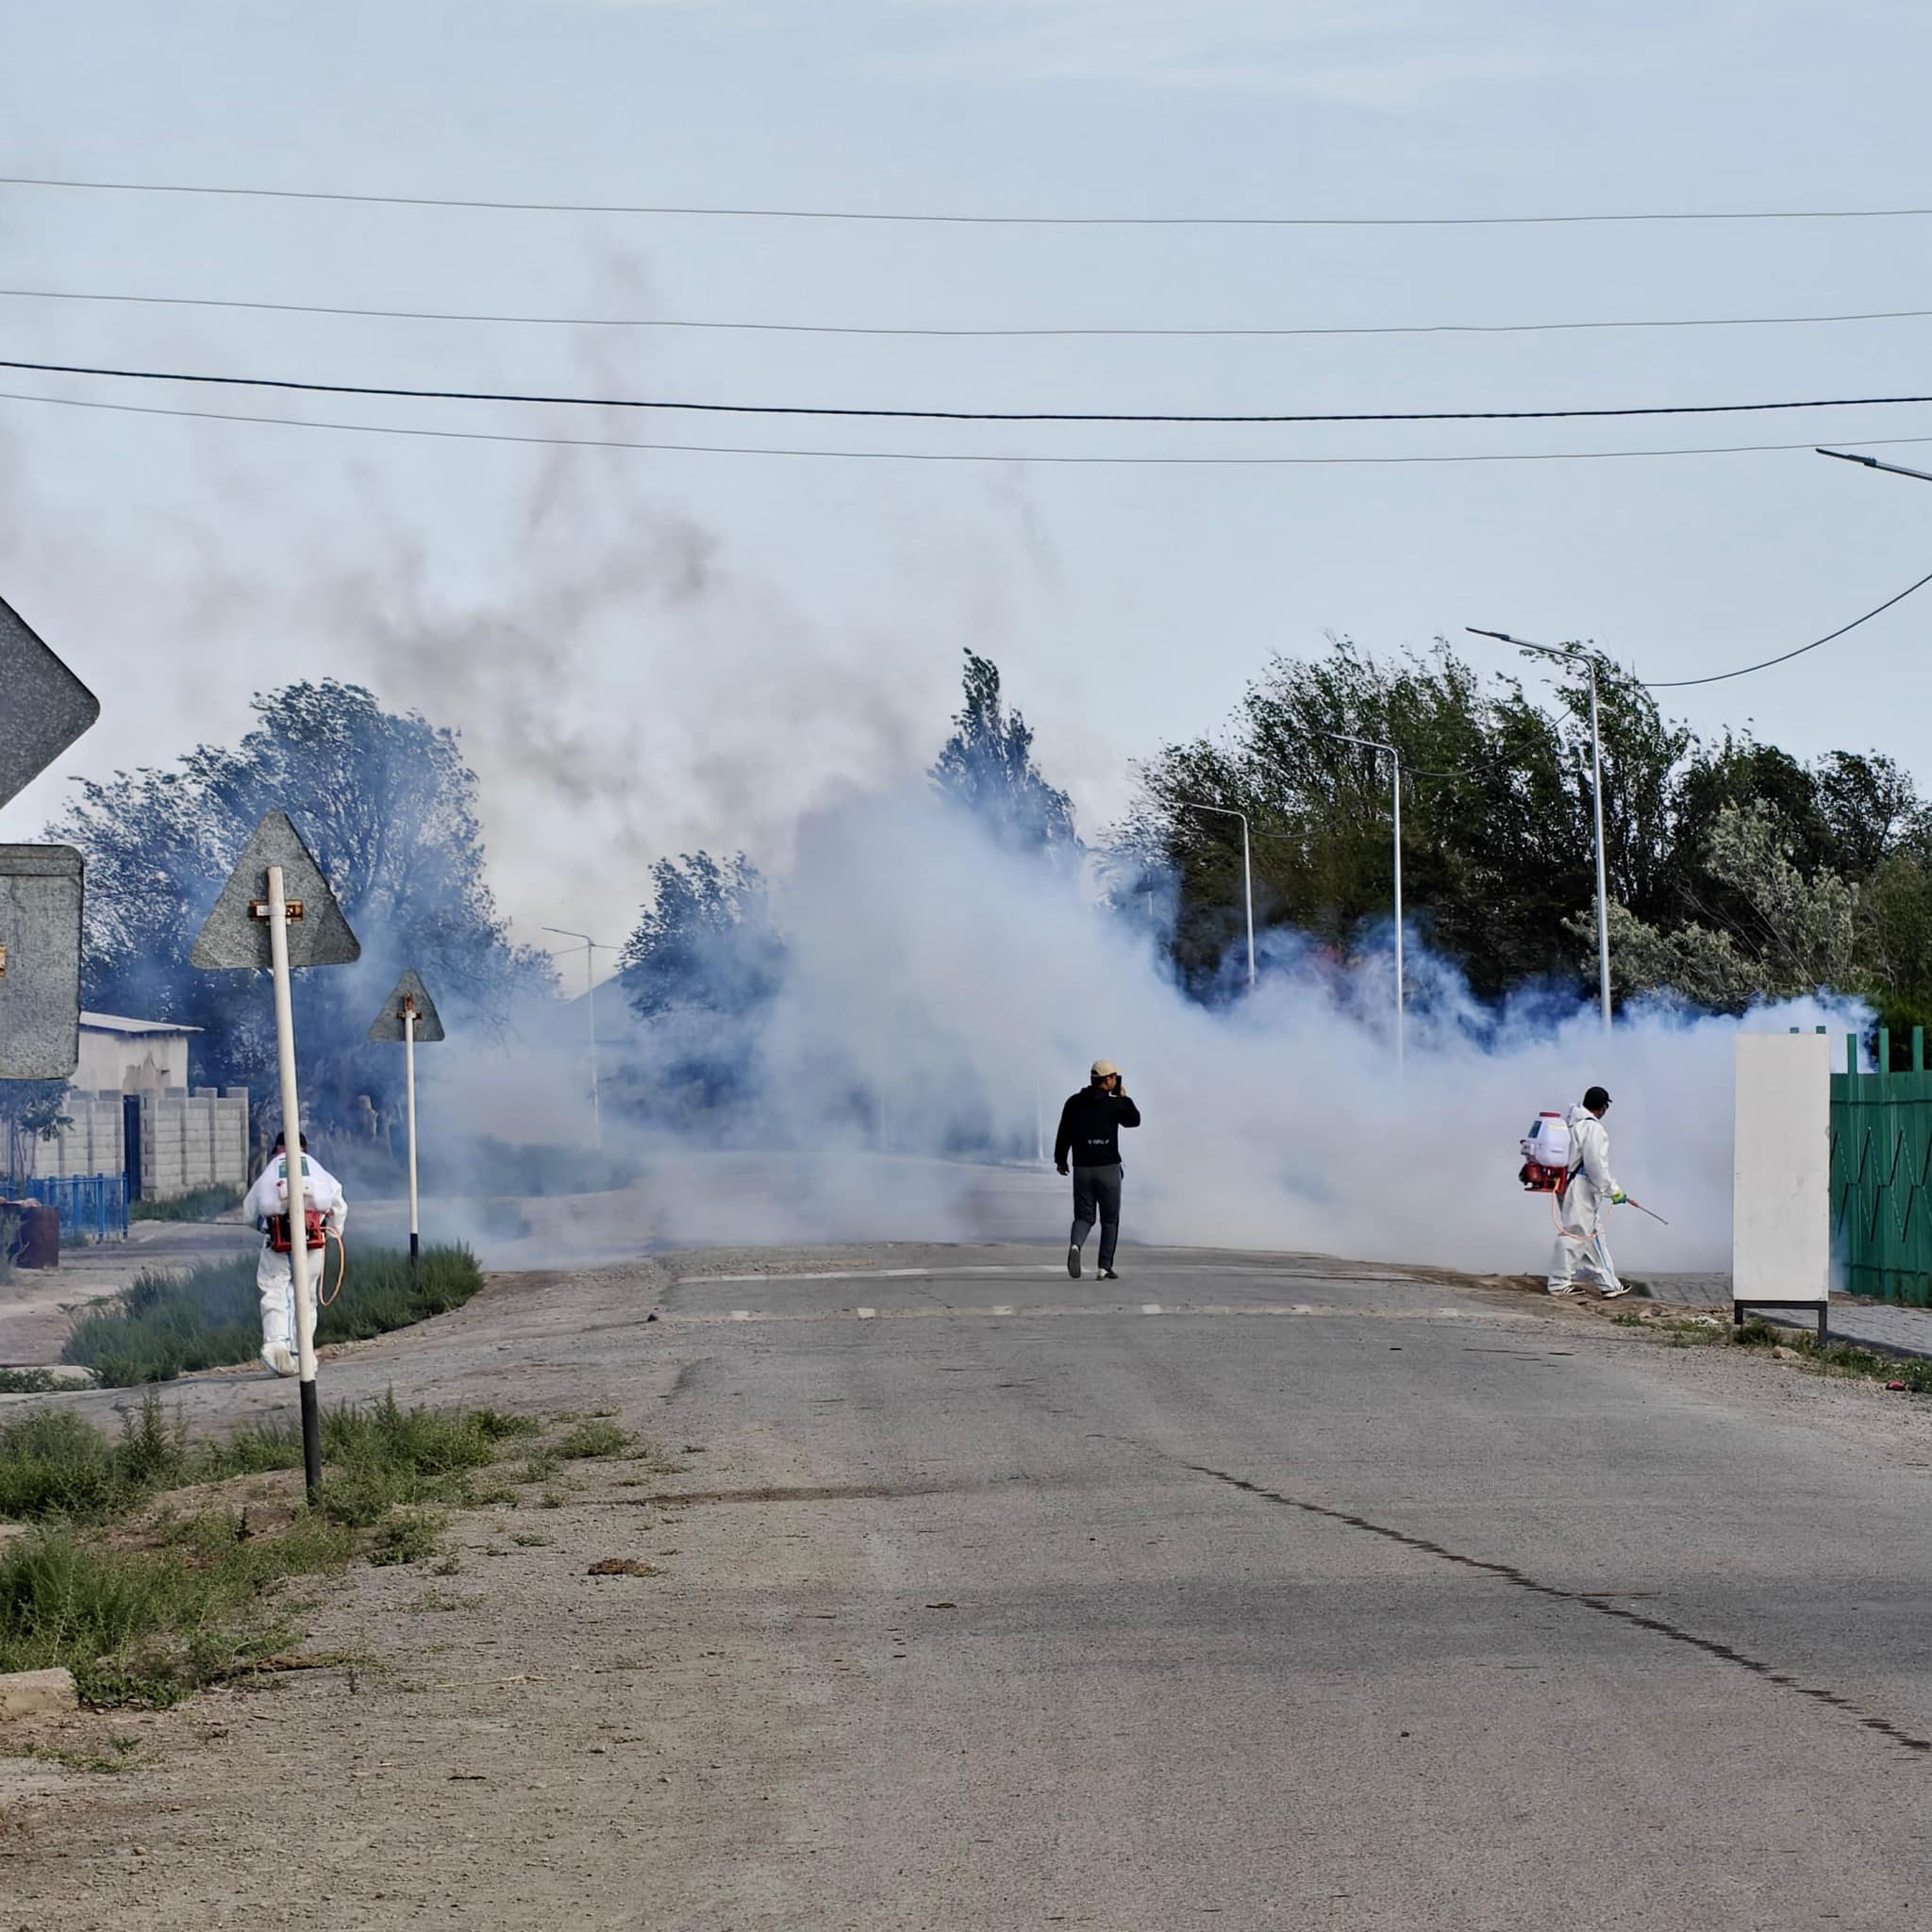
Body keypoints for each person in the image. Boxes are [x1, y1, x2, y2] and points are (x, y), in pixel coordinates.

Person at [243, 1129, 348, 1377]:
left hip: (277, 1243)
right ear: (305, 1148)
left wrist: (264, 1227)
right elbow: (339, 1205)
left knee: (274, 1291)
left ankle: (277, 1346)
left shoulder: (270, 1172)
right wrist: (331, 1232)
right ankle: (303, 1353)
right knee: (307, 1295)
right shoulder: (317, 1169)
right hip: (313, 1243)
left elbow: (248, 1212)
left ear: (278, 1149)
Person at [1055, 1059, 1141, 1281]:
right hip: (1108, 1168)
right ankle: (1104, 1267)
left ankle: (1076, 1245)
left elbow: (1064, 1131)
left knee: (1084, 1217)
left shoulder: (1073, 1102)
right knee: (1110, 1220)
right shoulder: (1114, 1104)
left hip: (1082, 1168)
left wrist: (1060, 1159)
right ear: (1109, 1079)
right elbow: (1134, 1120)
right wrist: (1123, 1098)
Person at [1546, 1085, 1631, 1299]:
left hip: (1568, 1184)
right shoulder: (1593, 1129)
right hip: (1582, 1187)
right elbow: (1595, 1165)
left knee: (1592, 1236)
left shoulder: (1571, 1123)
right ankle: (1558, 1283)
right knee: (1576, 1234)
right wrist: (1613, 1191)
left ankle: (1609, 1285)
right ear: (1603, 1107)